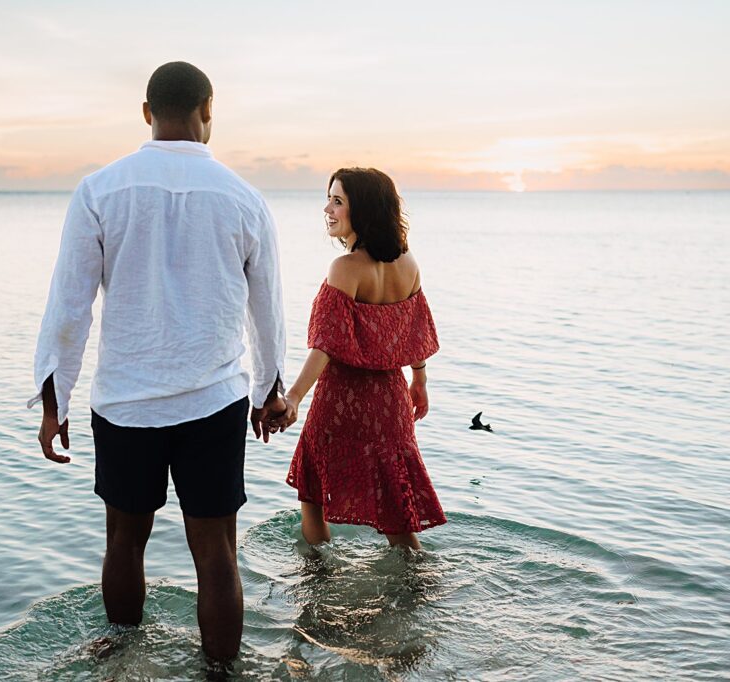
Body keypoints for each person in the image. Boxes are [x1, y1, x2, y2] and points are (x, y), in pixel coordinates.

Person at [28, 61, 287, 662]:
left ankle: (120, 662)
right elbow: (267, 310)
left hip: (125, 399)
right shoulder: (244, 198)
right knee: (217, 552)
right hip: (214, 399)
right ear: (209, 111)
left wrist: (54, 401)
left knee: (124, 542)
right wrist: (268, 394)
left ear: (146, 113)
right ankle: (222, 675)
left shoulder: (100, 190)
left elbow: (69, 305)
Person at [278, 168, 446, 550]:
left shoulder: (345, 269)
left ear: (364, 210)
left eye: (338, 201)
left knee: (313, 498)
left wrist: (293, 398)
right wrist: (419, 381)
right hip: (391, 403)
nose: (328, 209)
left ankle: (316, 583)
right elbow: (417, 333)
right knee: (397, 510)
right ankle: (415, 589)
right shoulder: (408, 263)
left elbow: (324, 345)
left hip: (342, 403)